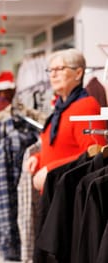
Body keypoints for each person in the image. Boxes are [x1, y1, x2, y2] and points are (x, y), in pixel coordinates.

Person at [26, 48, 107, 191]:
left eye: (60, 69)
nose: (53, 75)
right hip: (55, 191)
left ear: (78, 73)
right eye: (50, 70)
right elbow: (60, 149)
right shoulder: (59, 109)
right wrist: (38, 159)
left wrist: (51, 169)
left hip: (70, 195)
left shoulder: (85, 107)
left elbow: (94, 154)